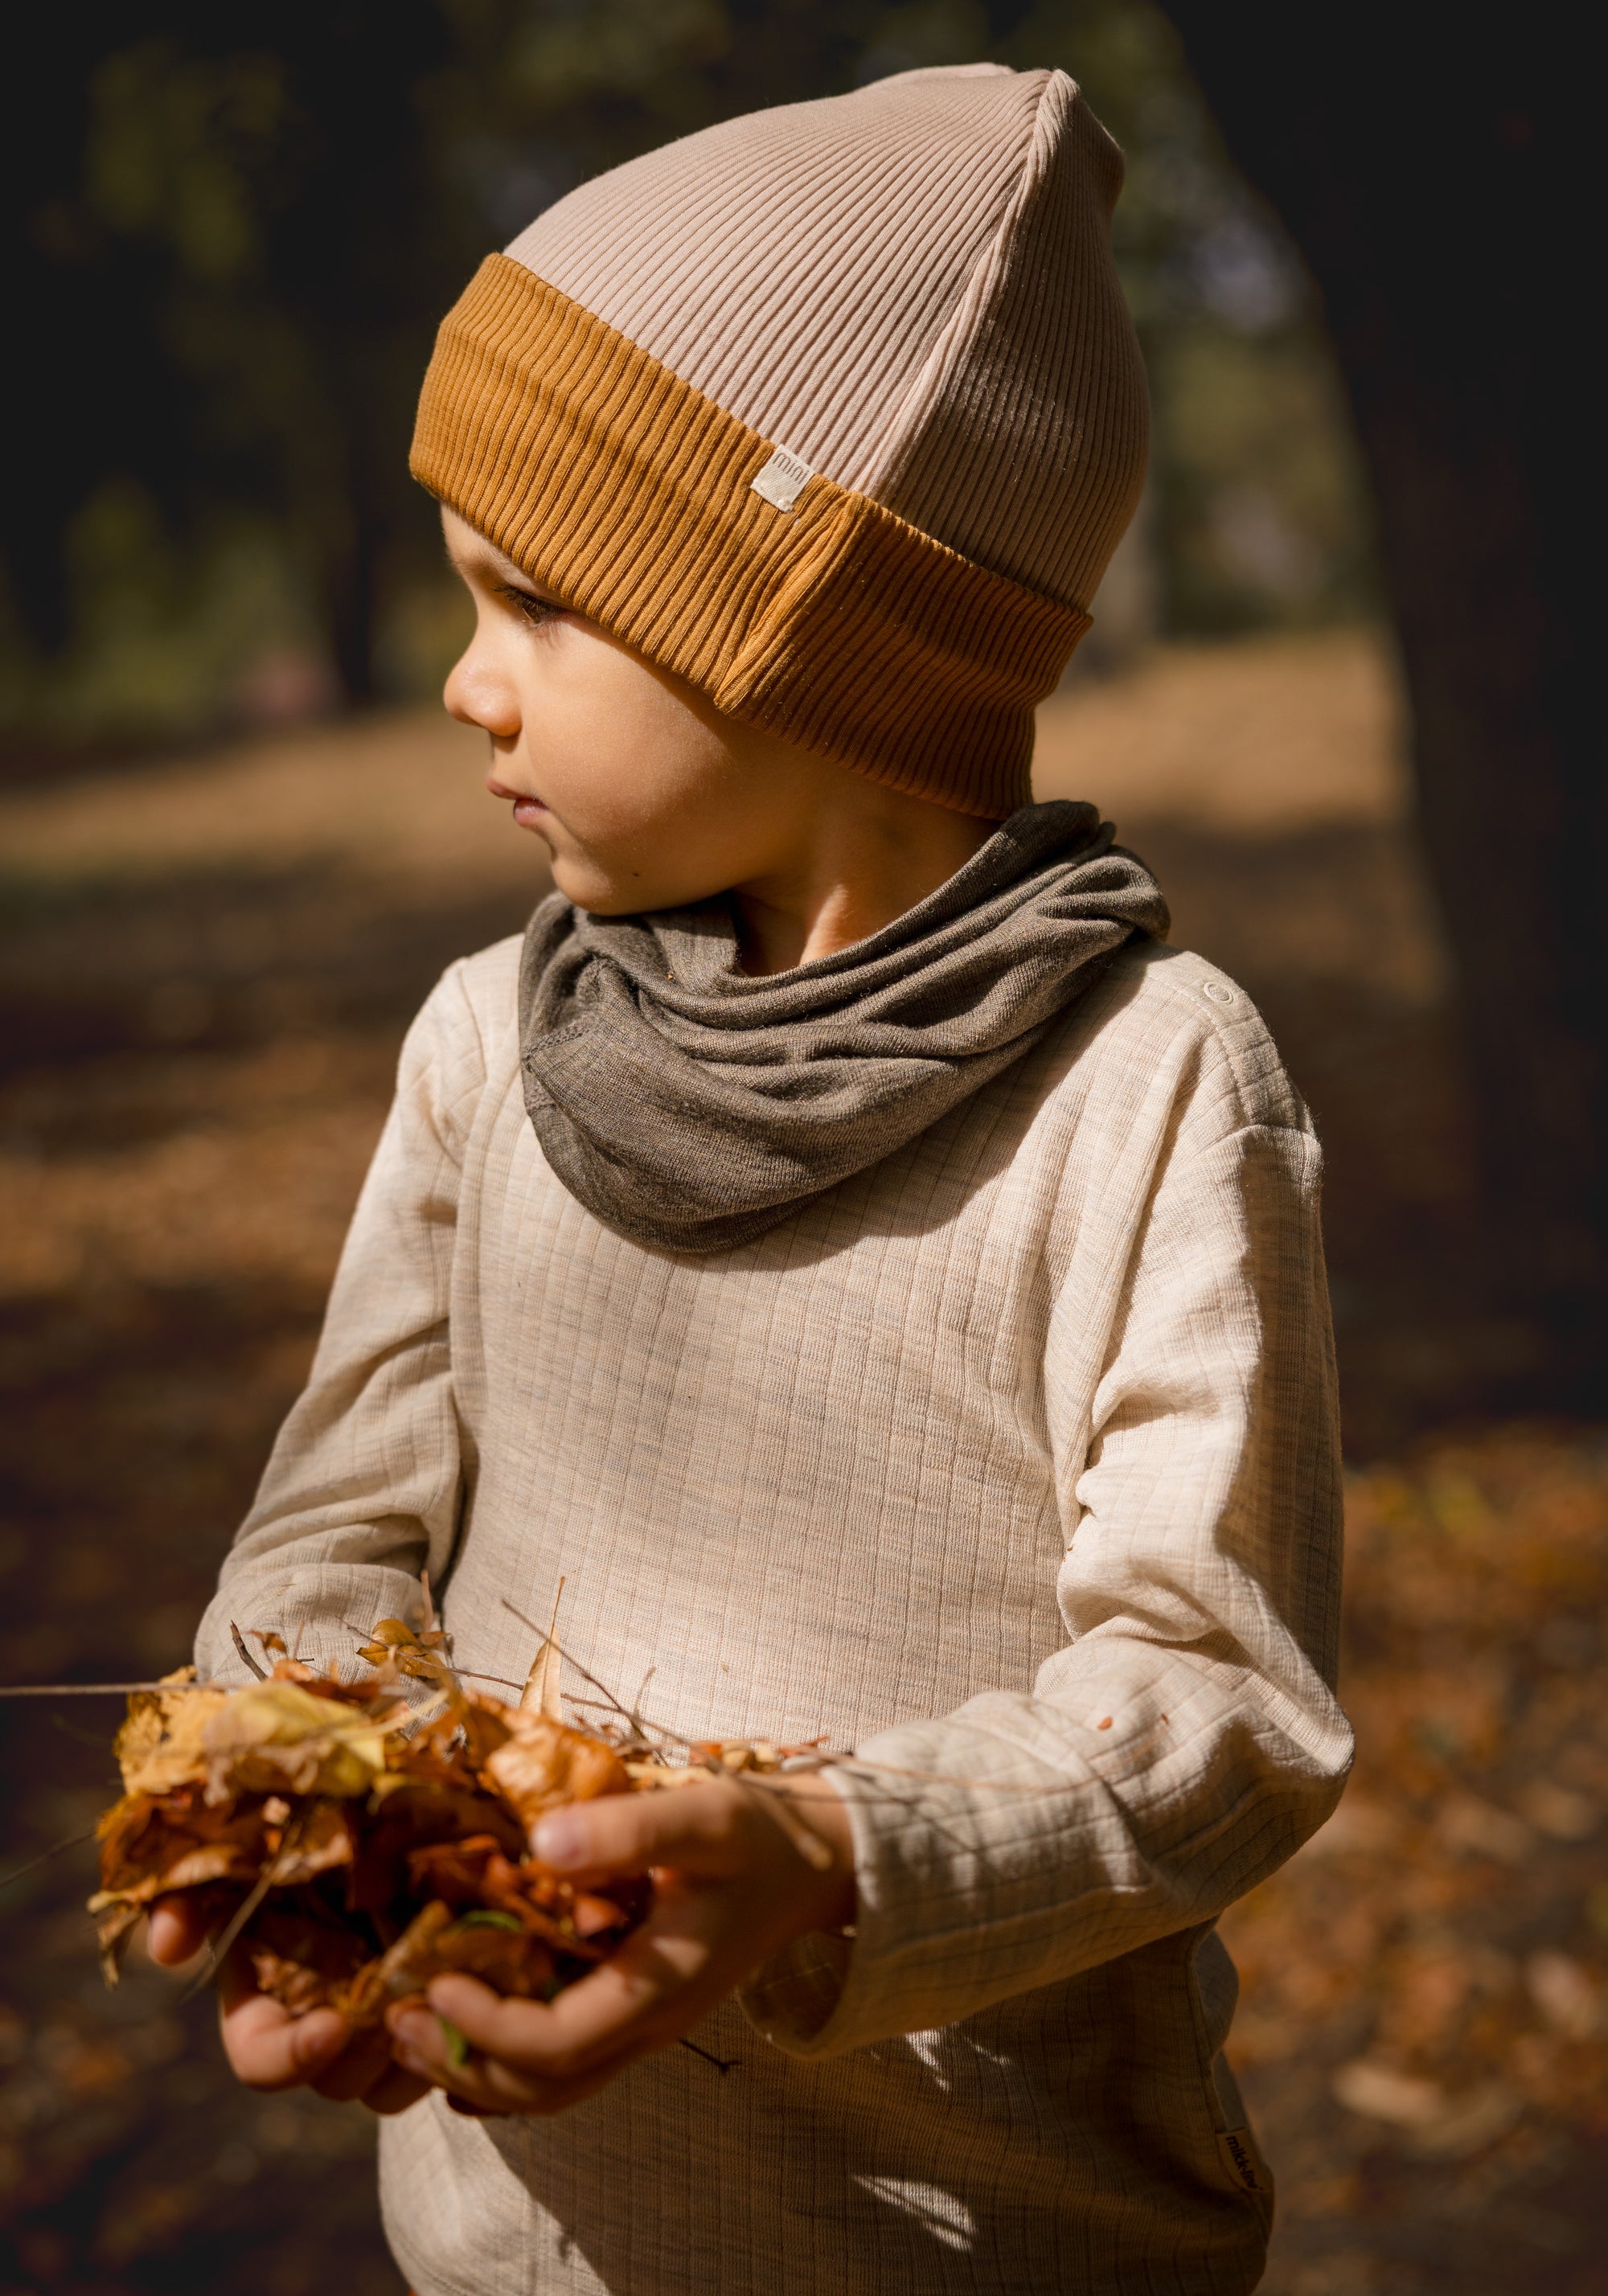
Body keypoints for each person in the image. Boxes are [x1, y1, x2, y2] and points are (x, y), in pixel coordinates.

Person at [150, 62, 1352, 2294]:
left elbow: (1217, 1699)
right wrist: (293, 1798)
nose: (460, 684)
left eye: (532, 603)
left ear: (783, 626)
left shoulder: (1148, 1090)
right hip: (509, 2238)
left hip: (981, 2241)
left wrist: (825, 1853)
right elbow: (338, 1525)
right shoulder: (493, 1050)